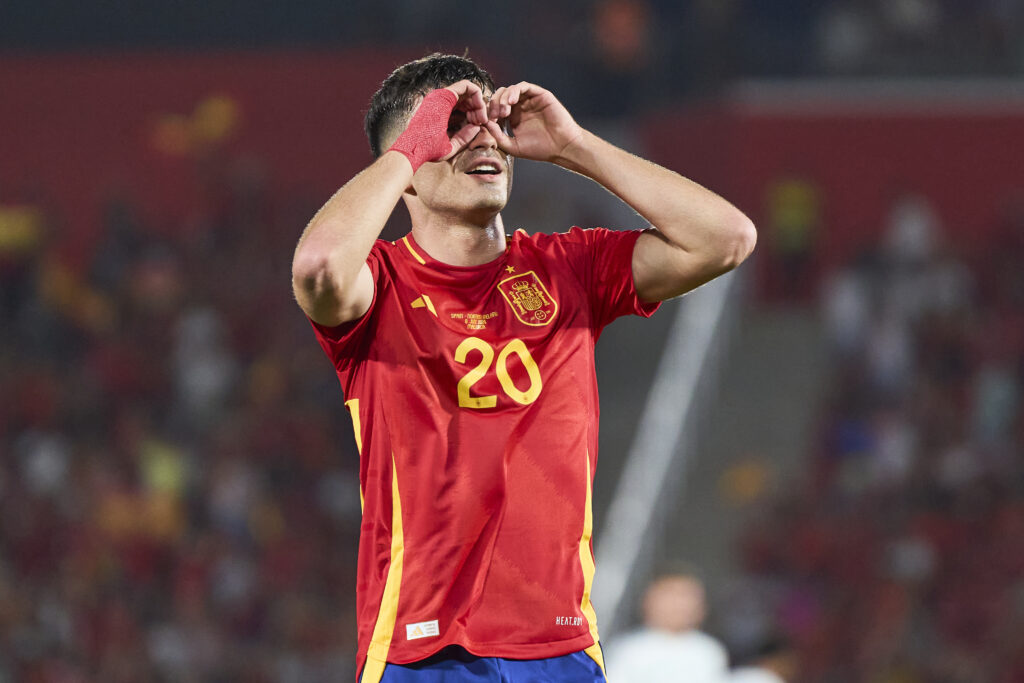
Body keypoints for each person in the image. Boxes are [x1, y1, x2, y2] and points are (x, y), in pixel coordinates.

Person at [290, 53, 755, 683]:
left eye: (488, 123)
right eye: (454, 126)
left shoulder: (569, 267)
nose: (481, 138)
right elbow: (318, 268)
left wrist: (575, 146)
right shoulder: (379, 286)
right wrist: (408, 149)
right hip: (424, 650)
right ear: (408, 166)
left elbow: (726, 238)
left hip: (562, 649)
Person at [604, 570, 730, 683]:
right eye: (670, 596)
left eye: (686, 596)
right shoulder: (628, 650)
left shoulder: (709, 651)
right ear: (648, 601)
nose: (678, 605)